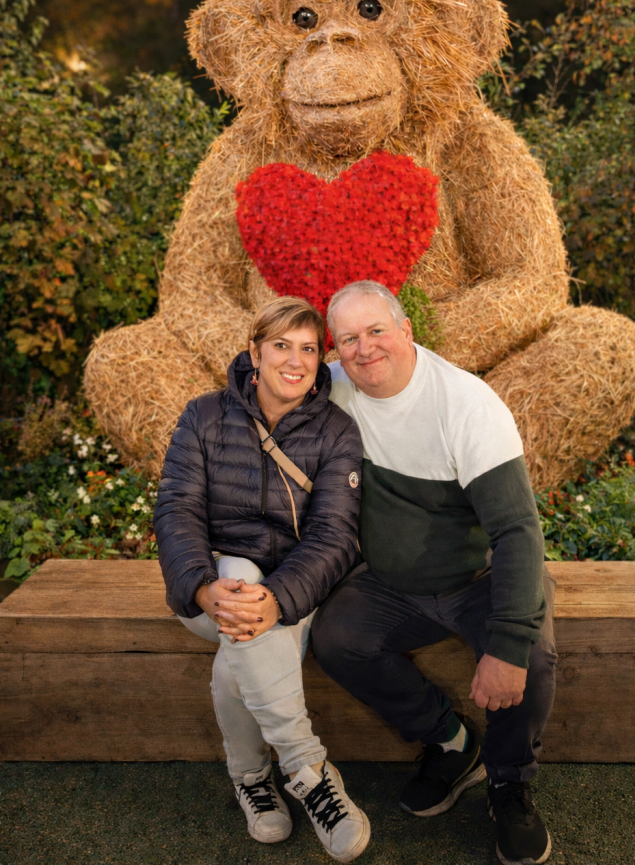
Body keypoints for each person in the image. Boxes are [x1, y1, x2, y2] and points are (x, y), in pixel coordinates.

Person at [312, 280, 557, 865]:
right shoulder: (333, 387)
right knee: (336, 639)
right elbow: (266, 387)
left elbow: (518, 531)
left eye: (377, 331)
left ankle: (508, 782)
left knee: (533, 655)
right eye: (348, 339)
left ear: (406, 331)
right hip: (391, 585)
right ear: (335, 348)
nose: (364, 349)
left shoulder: (466, 405)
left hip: (477, 577)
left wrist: (508, 645)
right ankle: (451, 742)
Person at [154, 296, 371, 863]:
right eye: (281, 345)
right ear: (255, 352)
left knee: (244, 638)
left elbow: (334, 537)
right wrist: (201, 586)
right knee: (238, 574)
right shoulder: (202, 416)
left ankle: (251, 778)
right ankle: (309, 770)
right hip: (210, 590)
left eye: (307, 349)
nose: (294, 360)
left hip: (298, 593)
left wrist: (279, 599)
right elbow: (176, 510)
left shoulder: (336, 431)